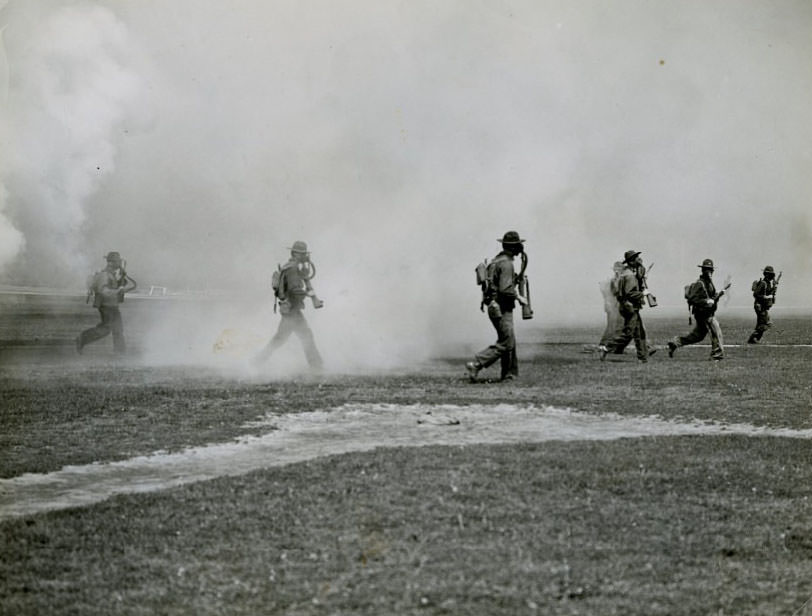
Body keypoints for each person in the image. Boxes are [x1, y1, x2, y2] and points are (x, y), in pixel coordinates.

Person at [466, 231, 529, 382]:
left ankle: (509, 374)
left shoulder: (496, 261)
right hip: (501, 307)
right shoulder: (506, 264)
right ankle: (477, 363)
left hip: (496, 306)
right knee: (507, 342)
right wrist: (520, 298)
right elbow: (505, 289)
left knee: (509, 339)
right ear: (514, 247)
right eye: (518, 245)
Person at [255, 240, 324, 370]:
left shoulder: (292, 267)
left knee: (282, 339)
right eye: (303, 254)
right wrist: (309, 295)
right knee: (302, 337)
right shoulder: (292, 269)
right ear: (296, 254)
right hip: (292, 310)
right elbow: (294, 290)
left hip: (292, 310)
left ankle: (257, 361)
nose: (305, 256)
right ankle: (317, 366)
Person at [76, 251, 137, 355]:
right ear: (110, 263)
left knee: (118, 329)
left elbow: (131, 284)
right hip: (106, 306)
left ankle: (120, 352)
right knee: (106, 329)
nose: (119, 263)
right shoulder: (104, 275)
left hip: (113, 305)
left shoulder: (113, 275)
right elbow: (103, 291)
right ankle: (82, 338)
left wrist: (123, 275)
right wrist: (118, 291)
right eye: (117, 261)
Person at [667, 258, 727, 361]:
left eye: (711, 269)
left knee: (697, 336)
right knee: (717, 332)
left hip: (705, 313)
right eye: (707, 269)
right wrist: (706, 302)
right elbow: (692, 298)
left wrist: (718, 295)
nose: (710, 271)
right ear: (703, 270)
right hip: (704, 314)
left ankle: (675, 342)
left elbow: (710, 297)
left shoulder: (709, 283)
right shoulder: (700, 283)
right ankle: (717, 356)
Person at [599, 250, 650, 363]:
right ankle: (607, 348)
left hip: (628, 306)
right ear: (632, 261)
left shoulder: (626, 273)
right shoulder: (630, 276)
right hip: (630, 307)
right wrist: (643, 293)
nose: (639, 260)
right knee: (628, 333)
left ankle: (643, 357)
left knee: (639, 332)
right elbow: (630, 293)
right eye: (636, 258)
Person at [748, 265, 778, 344]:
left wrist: (774, 289)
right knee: (765, 323)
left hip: (763, 306)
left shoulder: (767, 283)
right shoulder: (763, 283)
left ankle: (755, 339)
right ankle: (753, 338)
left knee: (765, 323)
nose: (772, 276)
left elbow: (770, 292)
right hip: (760, 306)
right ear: (767, 274)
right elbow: (755, 294)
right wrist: (766, 297)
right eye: (771, 274)